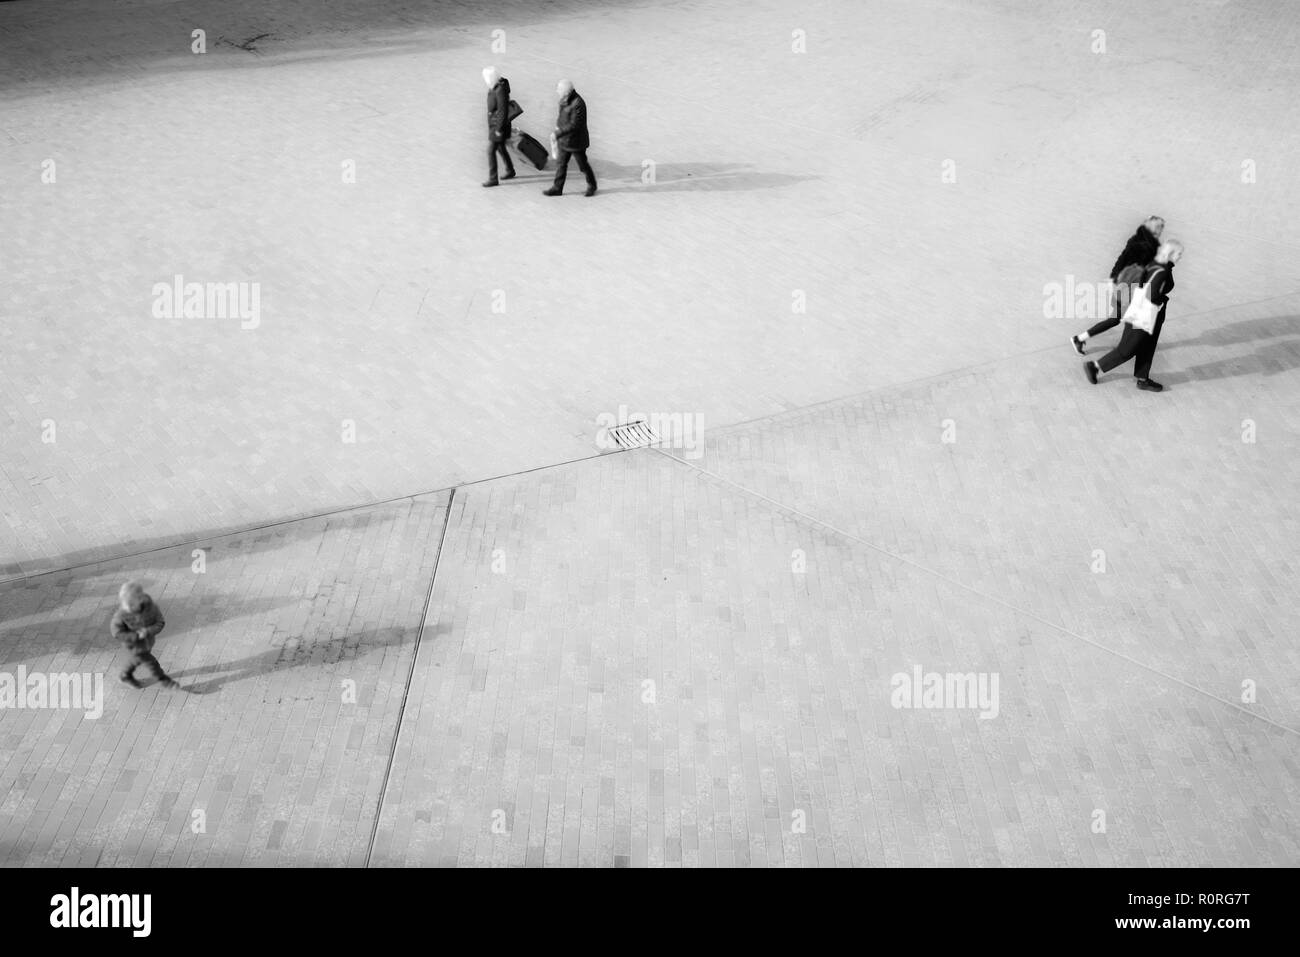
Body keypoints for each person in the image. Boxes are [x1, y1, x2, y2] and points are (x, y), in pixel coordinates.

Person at [1083, 240, 1183, 392]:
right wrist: (1157, 304)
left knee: (1148, 346)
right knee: (1127, 349)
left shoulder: (1160, 265)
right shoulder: (1160, 270)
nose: (1180, 256)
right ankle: (1095, 367)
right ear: (1170, 253)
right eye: (1178, 253)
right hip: (1144, 314)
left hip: (1150, 314)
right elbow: (1150, 294)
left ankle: (1143, 379)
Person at [1071, 215, 1164, 355]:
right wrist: (1113, 280)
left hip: (1131, 286)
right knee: (1127, 319)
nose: (1161, 229)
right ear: (1151, 227)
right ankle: (1122, 349)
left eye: (1162, 226)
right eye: (1159, 226)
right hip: (1127, 286)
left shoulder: (1147, 242)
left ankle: (1080, 338)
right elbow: (1123, 260)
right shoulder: (1140, 243)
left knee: (1117, 319)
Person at [111, 581, 179, 689]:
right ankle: (164, 680)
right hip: (135, 646)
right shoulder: (121, 616)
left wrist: (148, 631)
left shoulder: (150, 607)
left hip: (148, 642)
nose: (130, 606)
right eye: (128, 603)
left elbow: (160, 622)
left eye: (133, 602)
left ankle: (125, 675)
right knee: (151, 663)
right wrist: (136, 636)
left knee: (137, 660)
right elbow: (117, 632)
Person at [543, 80, 597, 197]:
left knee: (583, 165)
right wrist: (558, 126)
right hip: (564, 139)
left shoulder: (578, 103)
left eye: (559, 90)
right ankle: (557, 188)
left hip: (576, 142)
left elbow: (575, 125)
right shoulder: (563, 99)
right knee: (561, 164)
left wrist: (558, 133)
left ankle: (592, 185)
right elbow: (562, 116)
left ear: (566, 92)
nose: (557, 91)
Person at [482, 66, 515, 188]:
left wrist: (499, 129)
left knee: (490, 151)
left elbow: (502, 110)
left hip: (498, 126)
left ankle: (493, 178)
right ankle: (510, 170)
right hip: (495, 124)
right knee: (500, 148)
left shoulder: (500, 89)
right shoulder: (496, 86)